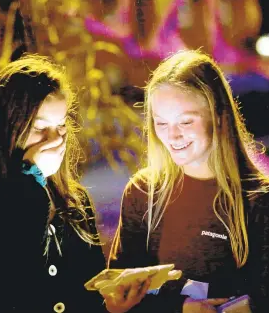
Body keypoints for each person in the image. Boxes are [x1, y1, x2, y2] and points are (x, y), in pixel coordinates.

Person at [0, 54, 150, 313]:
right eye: (40, 128)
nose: (54, 139)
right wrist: (31, 176)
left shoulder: (74, 199)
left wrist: (111, 305)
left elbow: (88, 293)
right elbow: (0, 285)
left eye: (61, 126)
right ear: (8, 127)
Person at [109, 50, 269, 313]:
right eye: (161, 123)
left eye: (185, 121)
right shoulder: (143, 192)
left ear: (219, 117)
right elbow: (121, 290)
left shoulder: (257, 199)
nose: (172, 135)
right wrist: (179, 307)